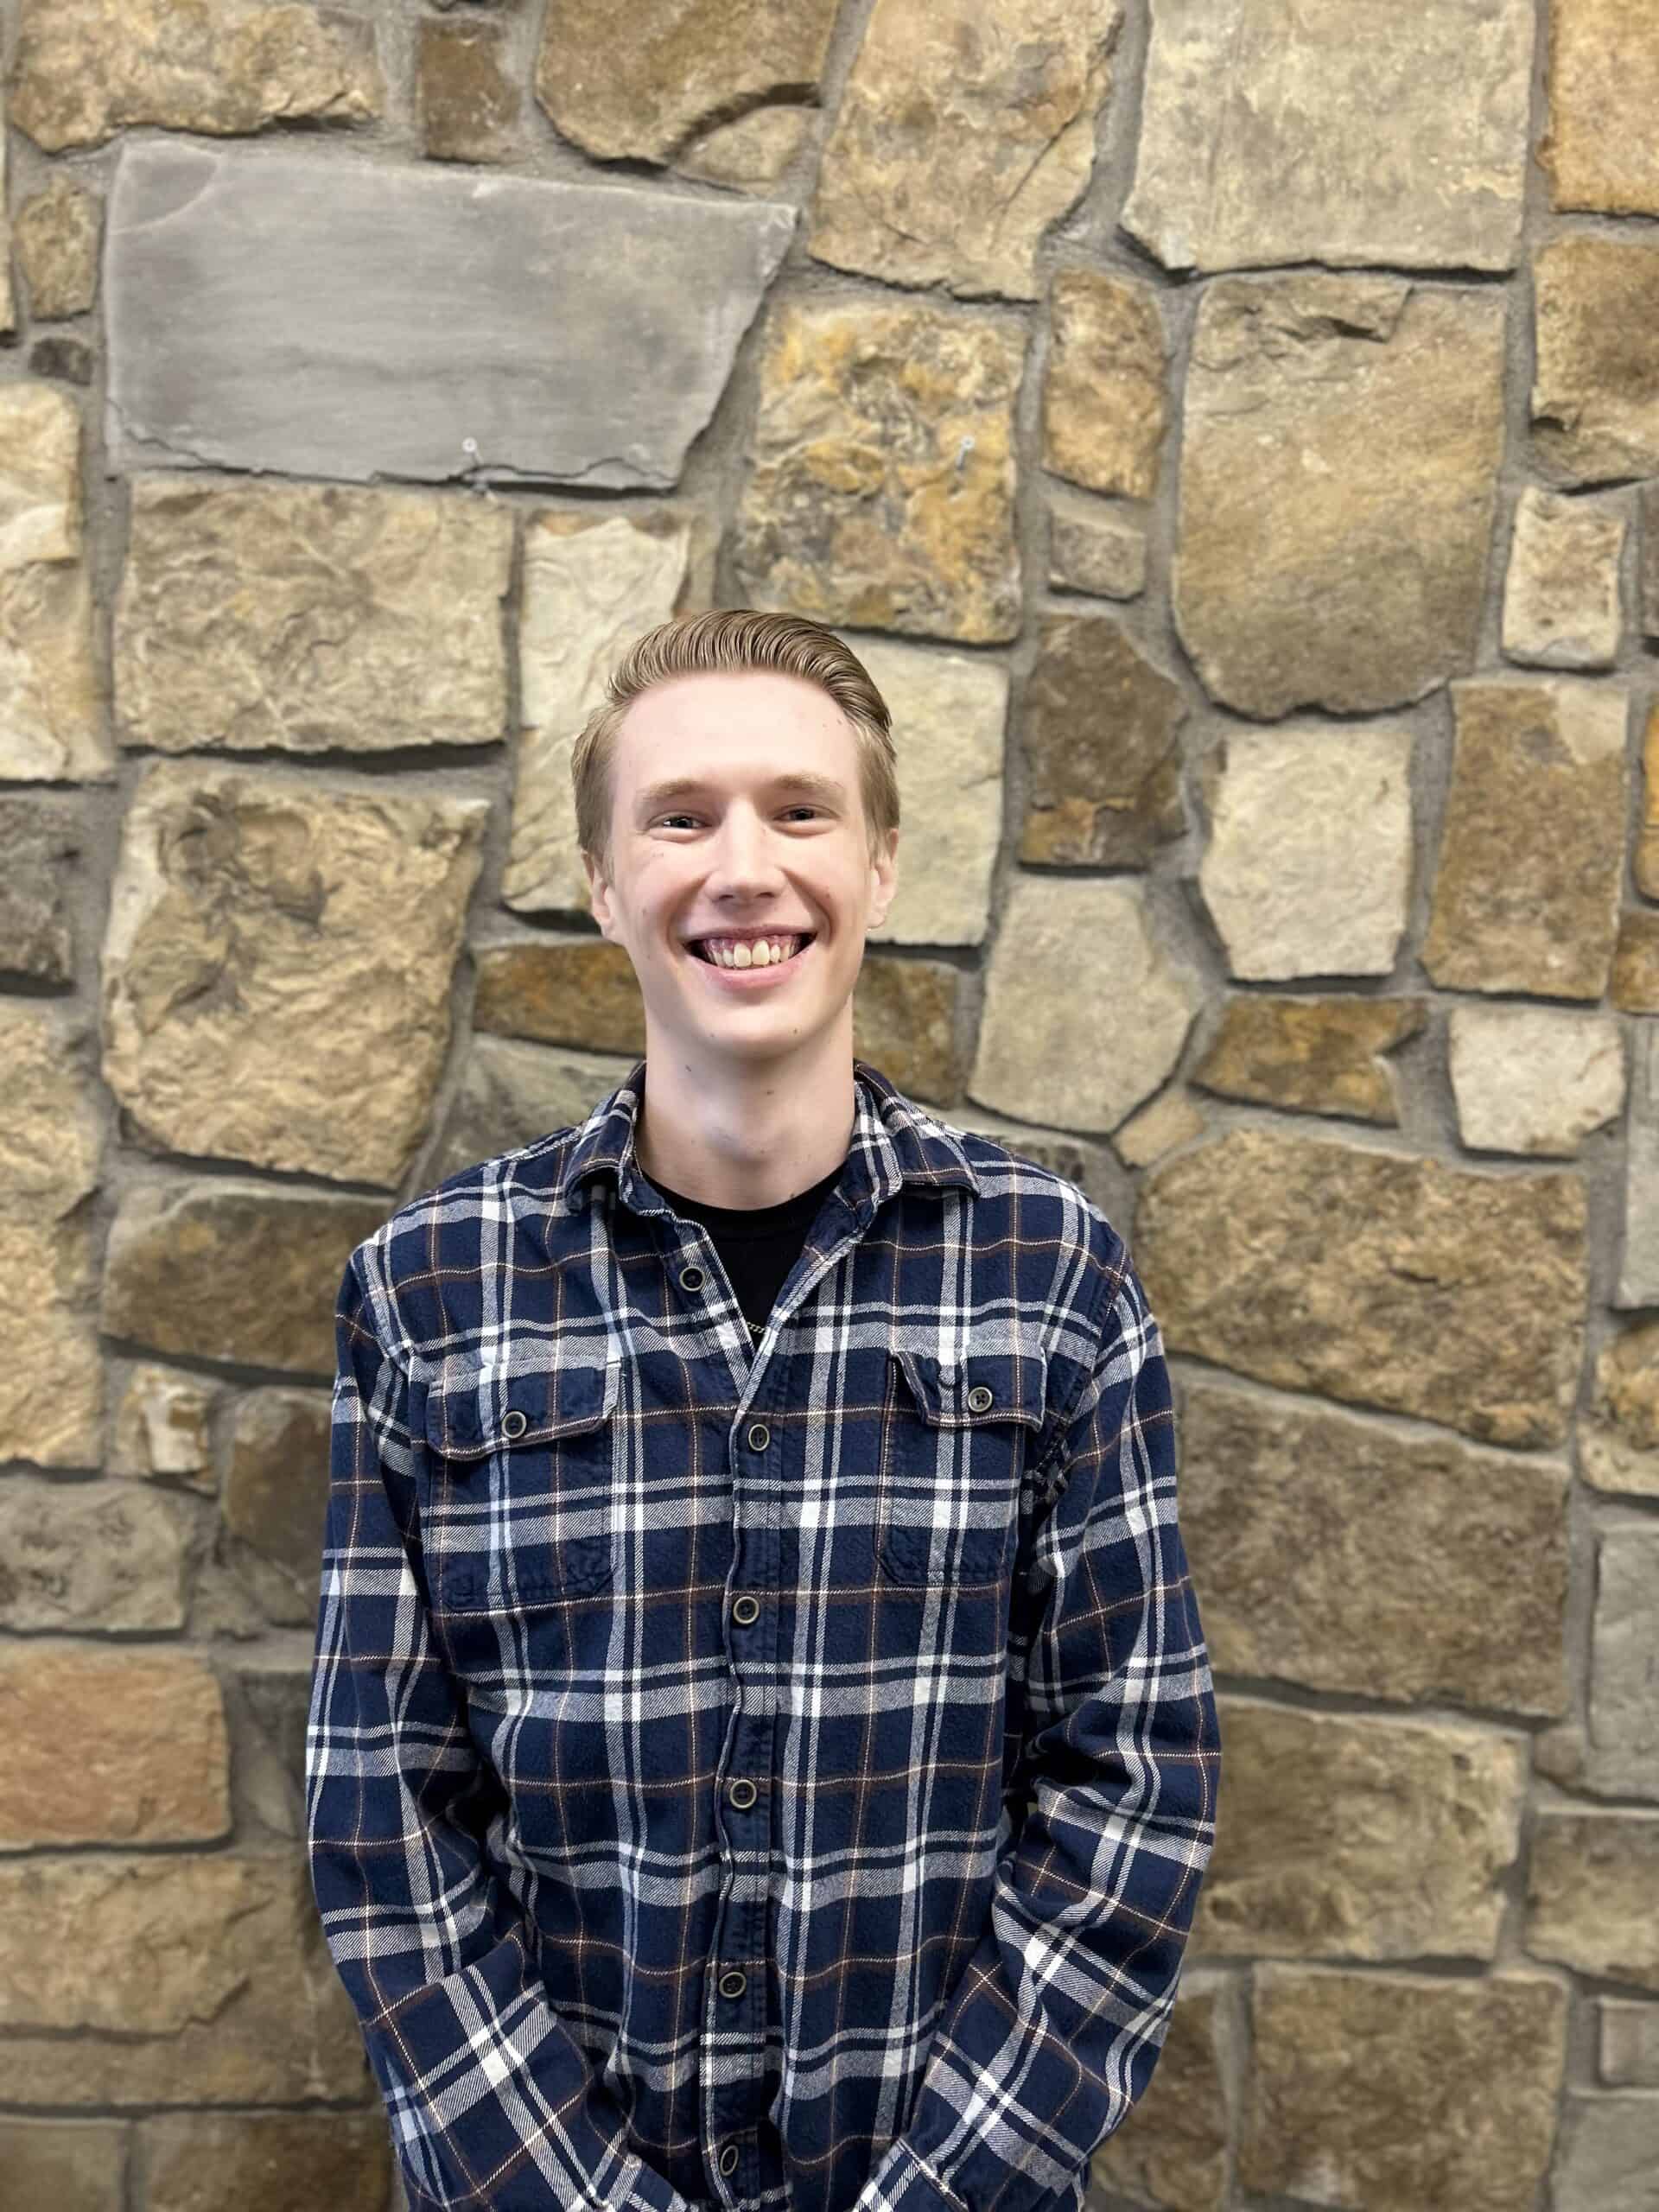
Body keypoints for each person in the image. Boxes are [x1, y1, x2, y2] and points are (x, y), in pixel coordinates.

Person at [305, 607, 1221, 2212]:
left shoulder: (1051, 1276)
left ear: (880, 865)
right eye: (680, 818)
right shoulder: (431, 1294)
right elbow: (384, 1818)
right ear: (604, 884)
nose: (745, 869)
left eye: (800, 811)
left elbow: (1134, 1780)